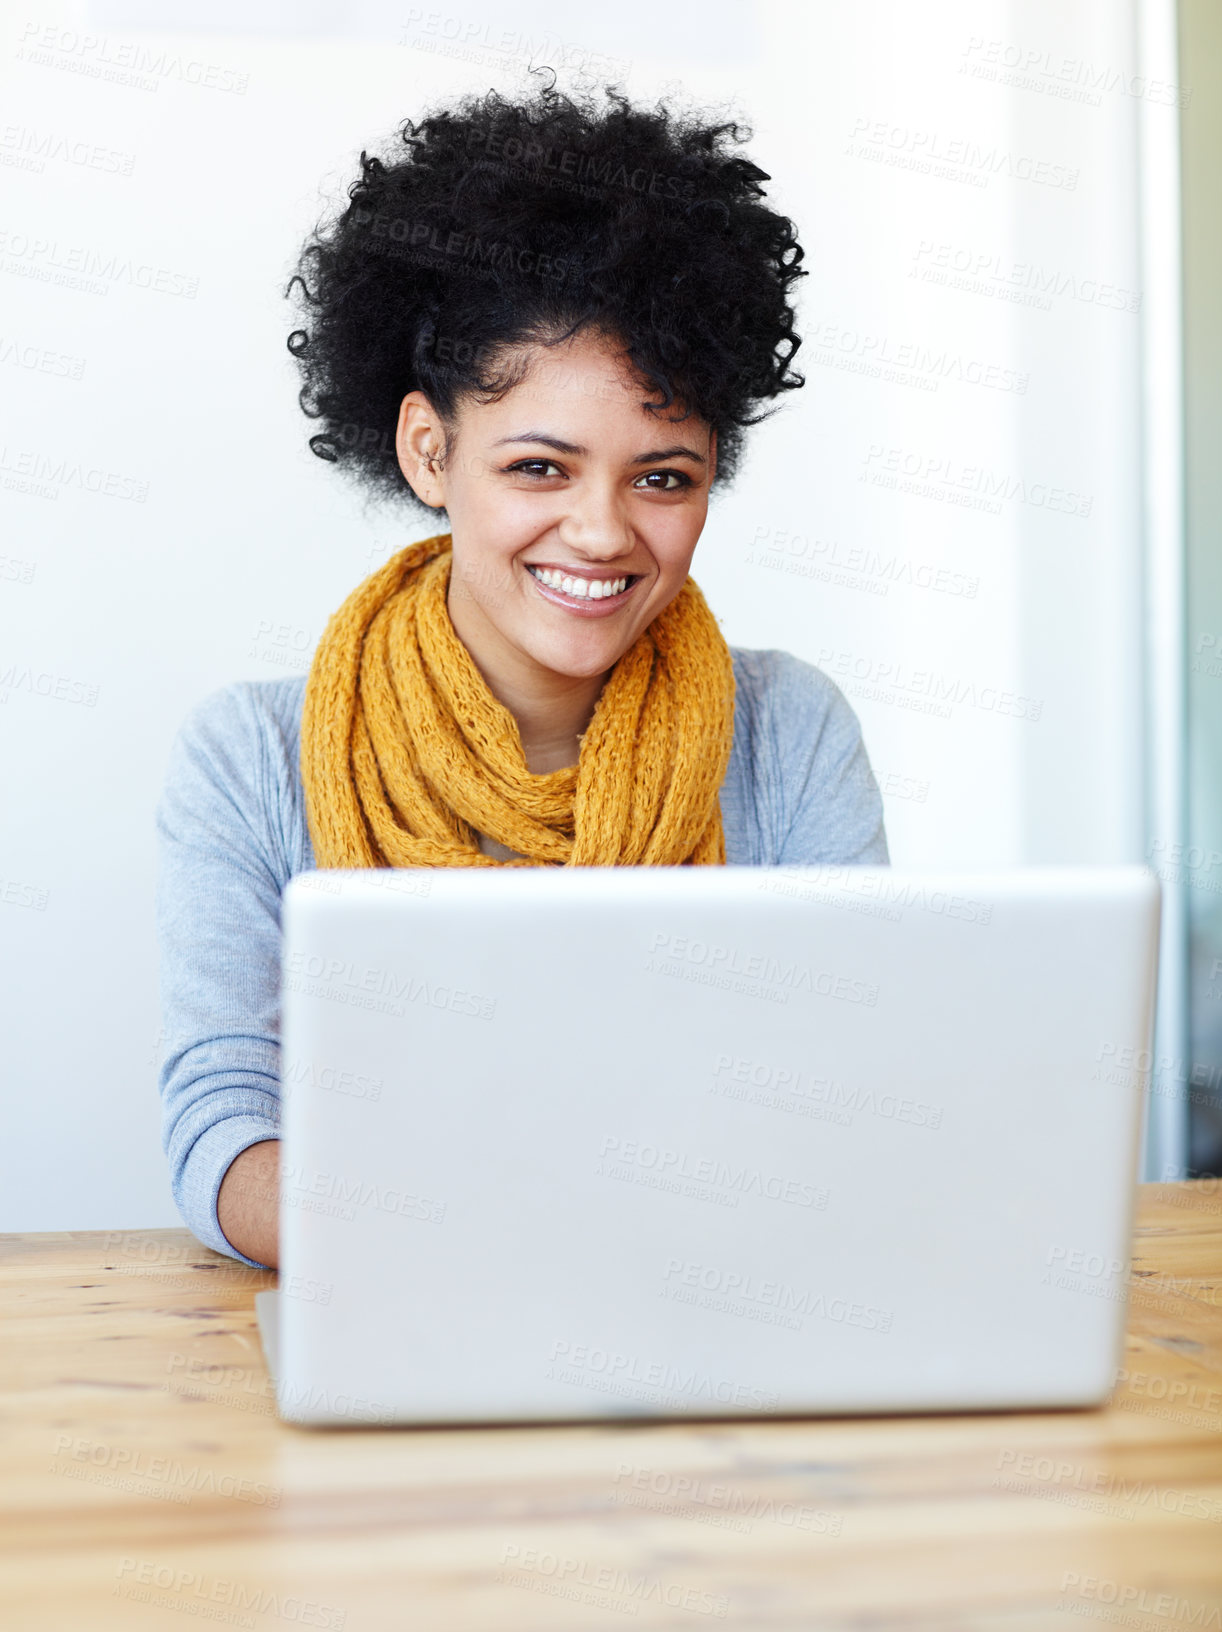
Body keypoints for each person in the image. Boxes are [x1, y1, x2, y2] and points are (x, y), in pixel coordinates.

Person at [155, 80, 889, 1272]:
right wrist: (467, 1231)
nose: (602, 534)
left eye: (663, 478)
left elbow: (848, 1093)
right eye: (542, 468)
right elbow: (225, 1121)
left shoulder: (791, 731)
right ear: (428, 450)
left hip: (713, 1305)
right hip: (399, 1295)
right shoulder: (248, 757)